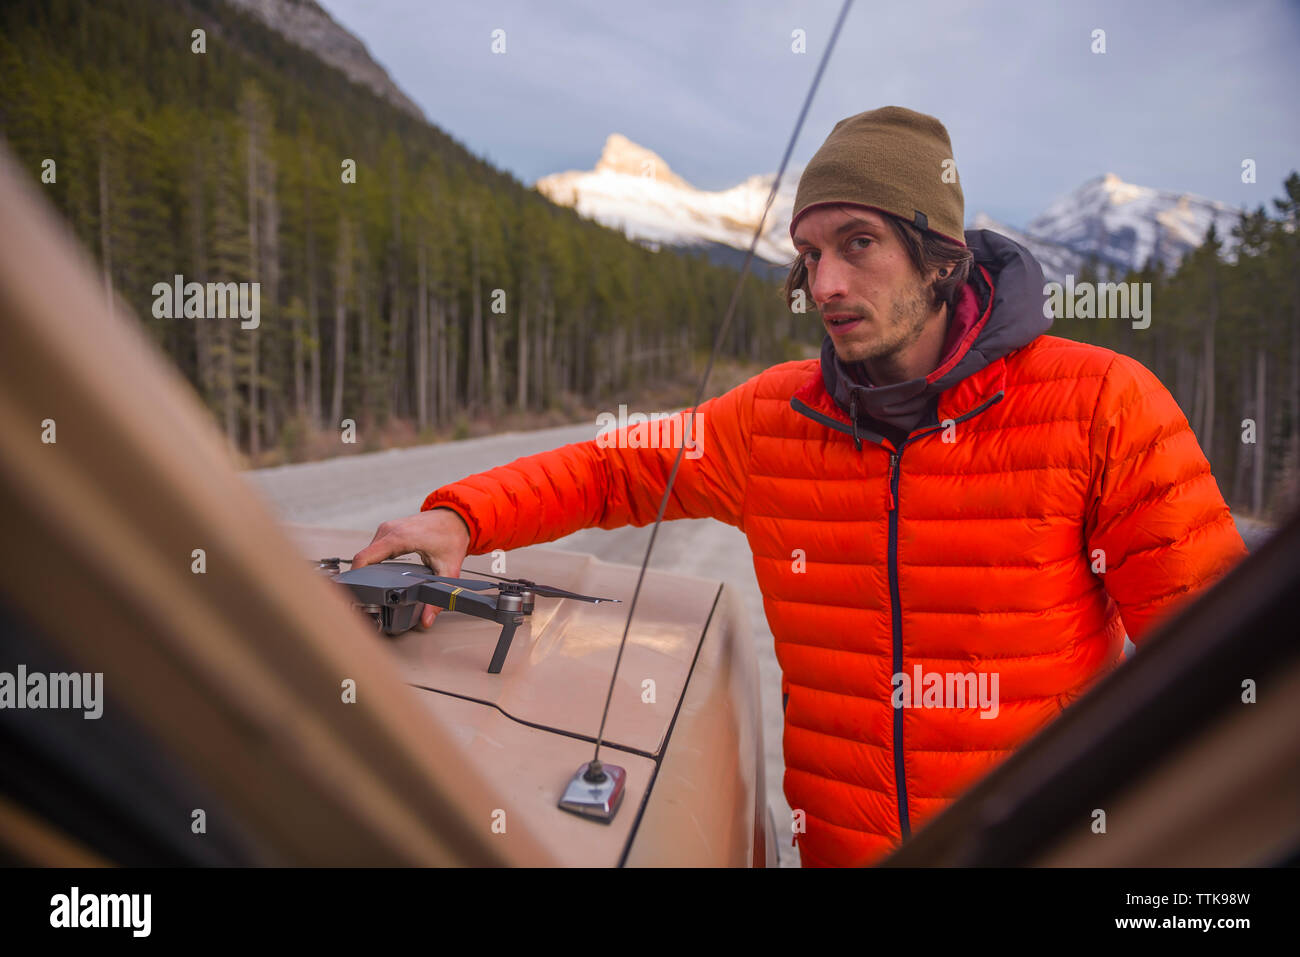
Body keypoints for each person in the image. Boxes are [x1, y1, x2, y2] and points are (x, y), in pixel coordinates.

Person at [352, 106, 1249, 867]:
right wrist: (460, 516)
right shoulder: (777, 417)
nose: (825, 283)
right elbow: (613, 466)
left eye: (859, 244)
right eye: (810, 252)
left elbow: (1222, 678)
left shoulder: (1101, 405)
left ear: (939, 253)